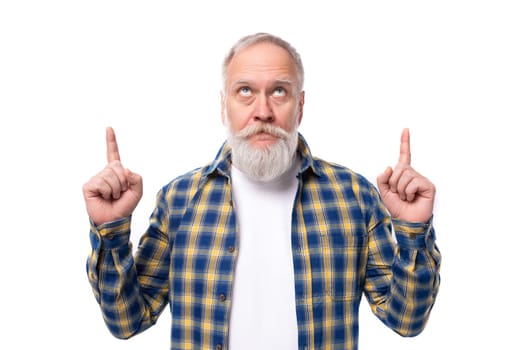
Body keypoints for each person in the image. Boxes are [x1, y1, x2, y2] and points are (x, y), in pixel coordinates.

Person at [84, 32, 441, 350]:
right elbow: (127, 322)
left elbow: (406, 320)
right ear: (224, 106)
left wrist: (413, 233)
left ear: (299, 106)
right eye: (245, 92)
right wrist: (111, 232)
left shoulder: (354, 197)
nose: (263, 112)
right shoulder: (178, 200)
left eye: (279, 92)